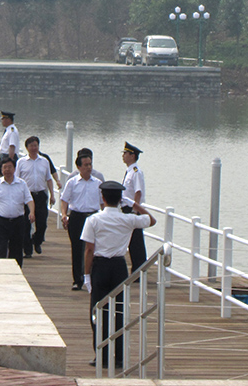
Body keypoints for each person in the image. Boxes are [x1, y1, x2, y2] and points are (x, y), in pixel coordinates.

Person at [80, 180, 156, 369]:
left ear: (103, 198)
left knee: (98, 312)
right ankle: (120, 357)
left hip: (100, 266)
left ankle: (101, 356)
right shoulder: (128, 219)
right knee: (119, 312)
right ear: (120, 199)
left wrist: (87, 275)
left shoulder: (93, 220)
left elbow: (89, 250)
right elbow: (151, 220)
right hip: (119, 267)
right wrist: (134, 205)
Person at [59, 153, 103, 290]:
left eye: (90, 164)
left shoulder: (98, 183)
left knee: (94, 248)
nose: (89, 167)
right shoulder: (72, 182)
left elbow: (103, 203)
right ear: (79, 167)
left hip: (93, 217)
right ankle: (77, 280)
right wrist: (64, 215)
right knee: (77, 249)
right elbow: (64, 200)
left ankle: (92, 277)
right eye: (85, 165)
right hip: (77, 217)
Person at [0, 157, 34, 267]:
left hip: (18, 221)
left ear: (14, 169)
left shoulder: (22, 184)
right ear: (1, 170)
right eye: (5, 167)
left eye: (10, 167)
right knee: (1, 249)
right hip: (0, 222)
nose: (7, 170)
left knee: (16, 250)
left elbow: (29, 200)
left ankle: (17, 274)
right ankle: (1, 273)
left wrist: (32, 212)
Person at [16, 136, 55, 257]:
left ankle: (37, 240)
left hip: (41, 194)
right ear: (27, 148)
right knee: (26, 223)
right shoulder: (21, 162)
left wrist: (52, 195)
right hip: (27, 196)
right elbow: (17, 179)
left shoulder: (44, 161)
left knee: (42, 222)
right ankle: (27, 250)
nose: (34, 148)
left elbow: (49, 179)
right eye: (31, 146)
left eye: (36, 145)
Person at [121, 141, 147, 273]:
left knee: (136, 241)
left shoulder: (136, 172)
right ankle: (136, 269)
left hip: (132, 209)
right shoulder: (129, 171)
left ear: (132, 155)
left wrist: (134, 211)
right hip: (127, 208)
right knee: (131, 242)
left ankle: (139, 270)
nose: (123, 155)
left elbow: (138, 192)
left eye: (125, 153)